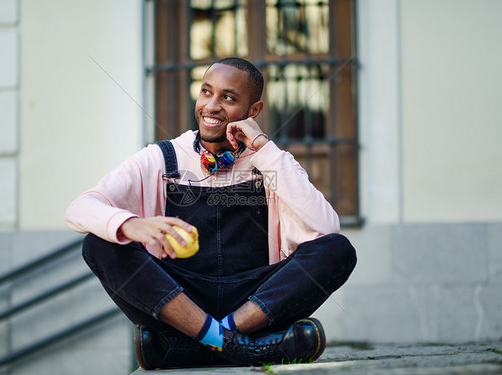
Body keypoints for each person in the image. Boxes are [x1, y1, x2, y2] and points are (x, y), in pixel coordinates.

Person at [65, 57, 356, 370]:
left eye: (228, 98)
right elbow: (79, 208)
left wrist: (263, 147)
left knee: (338, 250)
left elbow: (327, 228)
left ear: (254, 111)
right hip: (180, 299)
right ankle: (240, 346)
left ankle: (197, 343)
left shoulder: (271, 161)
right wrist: (130, 224)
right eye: (206, 92)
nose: (211, 106)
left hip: (254, 301)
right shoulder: (162, 157)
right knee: (99, 244)